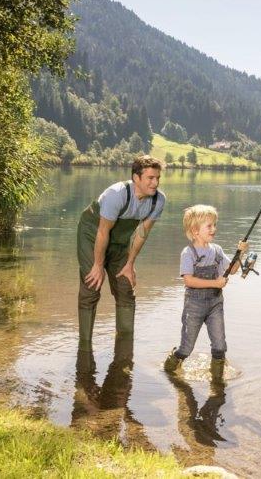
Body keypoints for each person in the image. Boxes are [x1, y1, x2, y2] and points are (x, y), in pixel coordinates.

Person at [77, 155, 165, 348]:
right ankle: (84, 346)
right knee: (92, 284)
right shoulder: (117, 194)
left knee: (125, 286)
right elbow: (103, 232)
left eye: (158, 178)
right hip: (93, 234)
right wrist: (98, 265)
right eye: (150, 178)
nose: (155, 183)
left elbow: (141, 234)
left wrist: (130, 264)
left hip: (120, 241)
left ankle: (124, 345)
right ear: (136, 178)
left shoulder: (158, 200)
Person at [163, 204, 246, 381]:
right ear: (195, 231)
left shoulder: (217, 250)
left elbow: (232, 270)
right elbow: (189, 280)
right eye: (209, 226)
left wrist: (240, 253)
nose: (214, 229)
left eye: (214, 225)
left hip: (215, 304)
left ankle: (217, 382)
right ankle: (169, 369)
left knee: (220, 346)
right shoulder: (188, 253)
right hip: (194, 305)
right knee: (186, 348)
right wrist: (216, 283)